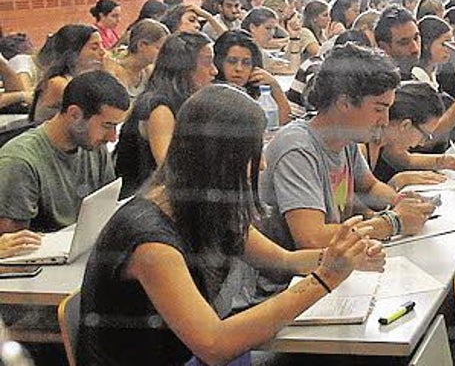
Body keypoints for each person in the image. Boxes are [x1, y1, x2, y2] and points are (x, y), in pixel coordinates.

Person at [78, 86, 385, 366]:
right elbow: (215, 344)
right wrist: (325, 278)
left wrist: (342, 256)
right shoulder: (151, 245)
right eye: (254, 155)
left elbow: (284, 260)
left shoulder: (205, 206)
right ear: (221, 158)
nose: (262, 165)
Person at [259, 44, 434, 254]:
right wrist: (393, 223)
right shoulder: (297, 149)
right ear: (344, 103)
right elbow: (311, 238)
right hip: (291, 279)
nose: (385, 120)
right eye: (379, 109)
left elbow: (369, 187)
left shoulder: (347, 138)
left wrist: (401, 202)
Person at [0, 70, 129, 235]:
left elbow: (106, 212)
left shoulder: (95, 147)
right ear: (75, 114)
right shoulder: (20, 161)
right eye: (107, 125)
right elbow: (14, 244)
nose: (112, 137)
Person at [115, 32, 217, 197]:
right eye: (207, 63)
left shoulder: (187, 101)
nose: (214, 71)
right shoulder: (159, 109)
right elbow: (170, 170)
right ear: (184, 67)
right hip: (142, 200)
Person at [364, 81, 455, 190]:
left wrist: (445, 161)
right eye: (425, 135)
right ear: (405, 125)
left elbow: (407, 161)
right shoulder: (361, 148)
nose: (422, 143)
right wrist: (399, 180)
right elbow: (355, 203)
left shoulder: (385, 142)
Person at [30, 23, 106, 123]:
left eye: (102, 46)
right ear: (73, 53)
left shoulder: (81, 78)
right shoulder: (59, 83)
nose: (103, 52)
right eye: (94, 48)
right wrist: (110, 72)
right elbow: (102, 111)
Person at [212, 30, 291, 126]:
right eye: (232, 61)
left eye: (246, 63)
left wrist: (275, 87)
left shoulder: (257, 94)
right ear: (219, 63)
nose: (239, 68)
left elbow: (285, 126)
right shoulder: (210, 94)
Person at [104, 18, 169, 97]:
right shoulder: (113, 70)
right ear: (141, 45)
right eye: (159, 48)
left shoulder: (149, 72)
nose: (164, 53)